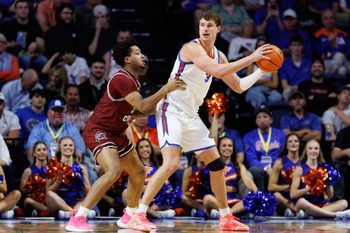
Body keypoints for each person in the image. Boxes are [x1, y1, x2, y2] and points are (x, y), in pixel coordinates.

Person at [127, 10, 272, 232]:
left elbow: (239, 86)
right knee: (172, 163)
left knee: (216, 164)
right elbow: (216, 70)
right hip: (171, 111)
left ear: (218, 29)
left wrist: (261, 70)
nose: (204, 28)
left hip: (191, 115)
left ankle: (226, 218)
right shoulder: (190, 48)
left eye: (209, 26)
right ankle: (138, 214)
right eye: (202, 25)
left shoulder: (220, 55)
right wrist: (252, 57)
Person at [65, 38, 186, 232]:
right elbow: (143, 105)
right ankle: (78, 217)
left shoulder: (133, 82)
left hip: (117, 132)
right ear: (127, 59)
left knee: (138, 171)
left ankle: (130, 216)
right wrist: (166, 88)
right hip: (99, 130)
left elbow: (140, 111)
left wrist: (166, 102)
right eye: (137, 53)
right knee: (113, 171)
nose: (142, 56)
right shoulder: (121, 78)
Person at [290, 139, 350, 219]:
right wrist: (309, 188)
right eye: (310, 148)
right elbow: (292, 194)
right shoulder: (299, 169)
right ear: (306, 151)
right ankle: (336, 215)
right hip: (307, 203)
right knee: (301, 201)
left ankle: (309, 215)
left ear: (319, 151)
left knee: (344, 203)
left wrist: (328, 182)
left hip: (322, 204)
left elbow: (330, 196)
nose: (313, 151)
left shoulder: (324, 169)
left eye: (316, 148)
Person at [203, 137, 258, 218]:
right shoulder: (213, 164)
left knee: (251, 199)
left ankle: (227, 213)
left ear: (233, 148)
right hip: (217, 200)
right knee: (207, 199)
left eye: (230, 145)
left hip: (234, 201)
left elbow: (247, 180)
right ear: (219, 148)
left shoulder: (238, 165)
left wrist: (258, 193)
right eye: (224, 146)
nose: (227, 148)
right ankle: (229, 214)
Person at [45, 136, 93, 219]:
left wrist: (82, 179)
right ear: (60, 148)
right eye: (65, 145)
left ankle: (70, 214)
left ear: (74, 148)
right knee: (49, 194)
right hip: (58, 202)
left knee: (88, 199)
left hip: (76, 201)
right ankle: (75, 213)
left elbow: (89, 192)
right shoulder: (53, 166)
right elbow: (48, 191)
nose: (68, 147)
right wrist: (58, 181)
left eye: (71, 145)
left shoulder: (81, 168)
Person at [243, 106, 286, 192]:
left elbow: (283, 154)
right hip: (259, 169)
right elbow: (251, 159)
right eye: (259, 117)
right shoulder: (248, 136)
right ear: (256, 121)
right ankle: (262, 198)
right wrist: (266, 168)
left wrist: (274, 168)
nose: (262, 119)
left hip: (277, 167)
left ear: (271, 120)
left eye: (265, 116)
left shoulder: (281, 135)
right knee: (256, 170)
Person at [268, 132, 301, 217]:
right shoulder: (279, 162)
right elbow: (271, 187)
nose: (293, 143)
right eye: (290, 141)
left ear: (299, 144)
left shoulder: (304, 161)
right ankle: (295, 210)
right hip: (284, 198)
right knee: (276, 196)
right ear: (286, 146)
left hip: (300, 196)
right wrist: (286, 187)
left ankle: (292, 211)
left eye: (296, 141)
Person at [19, 141, 49, 217]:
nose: (42, 152)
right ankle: (46, 210)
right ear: (34, 153)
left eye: (44, 149)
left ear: (47, 152)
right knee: (28, 201)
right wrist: (34, 187)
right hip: (32, 199)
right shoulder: (28, 170)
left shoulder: (51, 169)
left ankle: (41, 211)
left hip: (47, 199)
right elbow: (21, 189)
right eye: (39, 150)